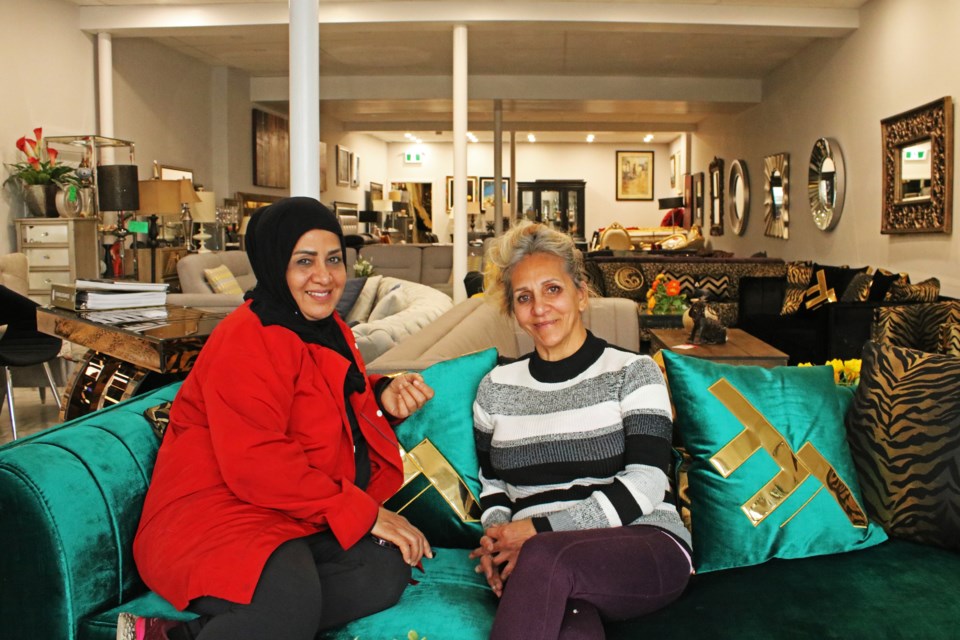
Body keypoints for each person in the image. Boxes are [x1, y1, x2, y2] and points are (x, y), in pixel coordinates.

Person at [121, 197, 434, 640]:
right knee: (289, 596)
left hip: (291, 509)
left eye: (333, 260)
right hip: (218, 513)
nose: (324, 277)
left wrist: (381, 391)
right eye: (303, 262)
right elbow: (257, 461)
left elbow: (324, 389)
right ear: (273, 265)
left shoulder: (327, 328)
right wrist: (360, 513)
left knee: (382, 569)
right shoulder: (245, 338)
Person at [470, 222, 692, 639]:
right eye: (524, 297)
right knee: (570, 628)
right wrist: (498, 541)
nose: (539, 308)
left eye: (552, 289)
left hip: (642, 544)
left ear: (582, 294)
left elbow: (647, 481)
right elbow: (492, 483)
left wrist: (536, 532)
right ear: (513, 311)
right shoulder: (495, 389)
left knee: (545, 561)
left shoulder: (633, 372)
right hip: (537, 561)